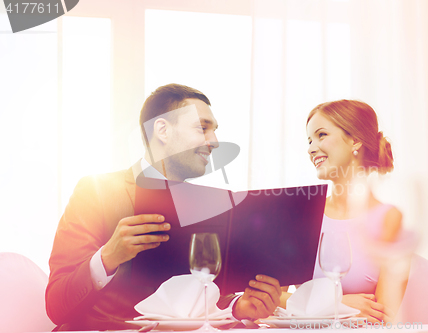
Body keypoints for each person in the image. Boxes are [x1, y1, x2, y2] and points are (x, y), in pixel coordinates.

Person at [46, 84, 282, 331]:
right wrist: (108, 257)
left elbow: (195, 295)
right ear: (162, 130)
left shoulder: (207, 205)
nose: (214, 142)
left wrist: (239, 306)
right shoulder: (96, 191)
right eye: (203, 128)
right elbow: (56, 306)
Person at [300, 100, 409, 323]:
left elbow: (384, 316)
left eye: (321, 135)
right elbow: (273, 300)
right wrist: (334, 305)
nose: (311, 148)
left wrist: (317, 307)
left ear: (355, 140)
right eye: (309, 140)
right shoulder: (303, 214)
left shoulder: (388, 219)